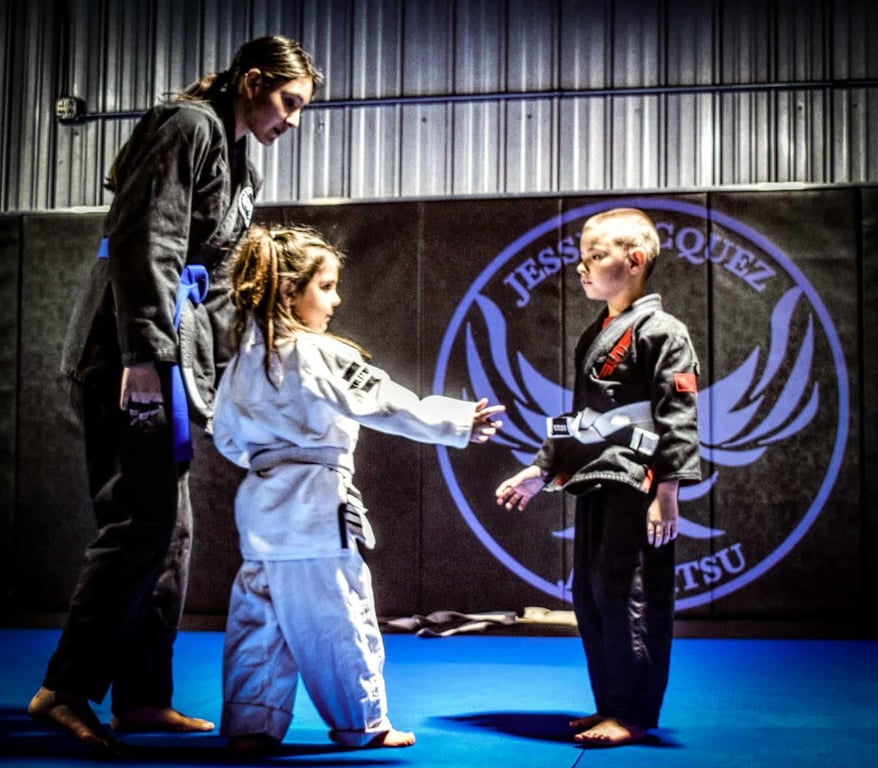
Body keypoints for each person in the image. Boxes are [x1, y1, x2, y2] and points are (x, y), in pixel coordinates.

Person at [27, 36, 323, 752]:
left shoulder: (240, 152)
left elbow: (216, 271)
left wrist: (235, 355)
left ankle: (141, 698)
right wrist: (143, 358)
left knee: (170, 531)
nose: (292, 121)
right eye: (287, 103)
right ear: (252, 81)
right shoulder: (185, 126)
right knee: (141, 520)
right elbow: (146, 244)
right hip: (127, 351)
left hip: (171, 349)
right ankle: (63, 689)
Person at [211, 224, 505, 754]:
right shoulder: (317, 353)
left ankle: (252, 725)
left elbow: (227, 438)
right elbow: (387, 403)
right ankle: (363, 723)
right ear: (289, 292)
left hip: (259, 503)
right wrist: (458, 420)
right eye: (325, 287)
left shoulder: (240, 364)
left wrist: (270, 459)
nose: (336, 300)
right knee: (339, 616)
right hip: (314, 505)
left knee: (260, 620)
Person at [495, 207, 701, 747]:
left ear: (634, 261)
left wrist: (668, 490)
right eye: (581, 257)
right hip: (594, 478)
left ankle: (632, 712)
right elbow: (581, 419)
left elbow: (678, 416)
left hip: (638, 482)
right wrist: (541, 469)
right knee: (592, 594)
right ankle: (610, 703)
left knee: (631, 594)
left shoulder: (664, 332)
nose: (582, 268)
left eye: (595, 256)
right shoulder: (597, 332)